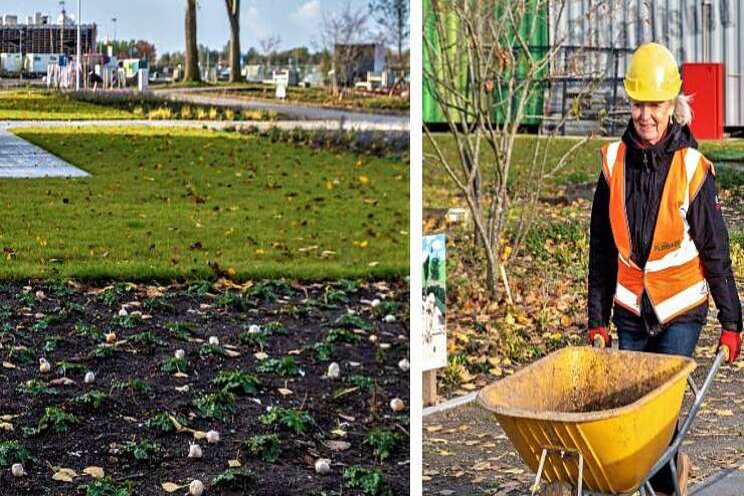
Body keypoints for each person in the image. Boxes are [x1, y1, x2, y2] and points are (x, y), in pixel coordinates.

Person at [587, 42, 742, 496]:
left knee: (656, 414)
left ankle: (665, 487)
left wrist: (732, 322)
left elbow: (715, 250)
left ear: (672, 106)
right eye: (638, 104)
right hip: (630, 310)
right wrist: (596, 318)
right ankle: (672, 476)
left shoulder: (693, 168)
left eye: (654, 104)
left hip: (680, 311)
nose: (645, 115)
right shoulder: (612, 165)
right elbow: (601, 250)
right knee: (638, 414)